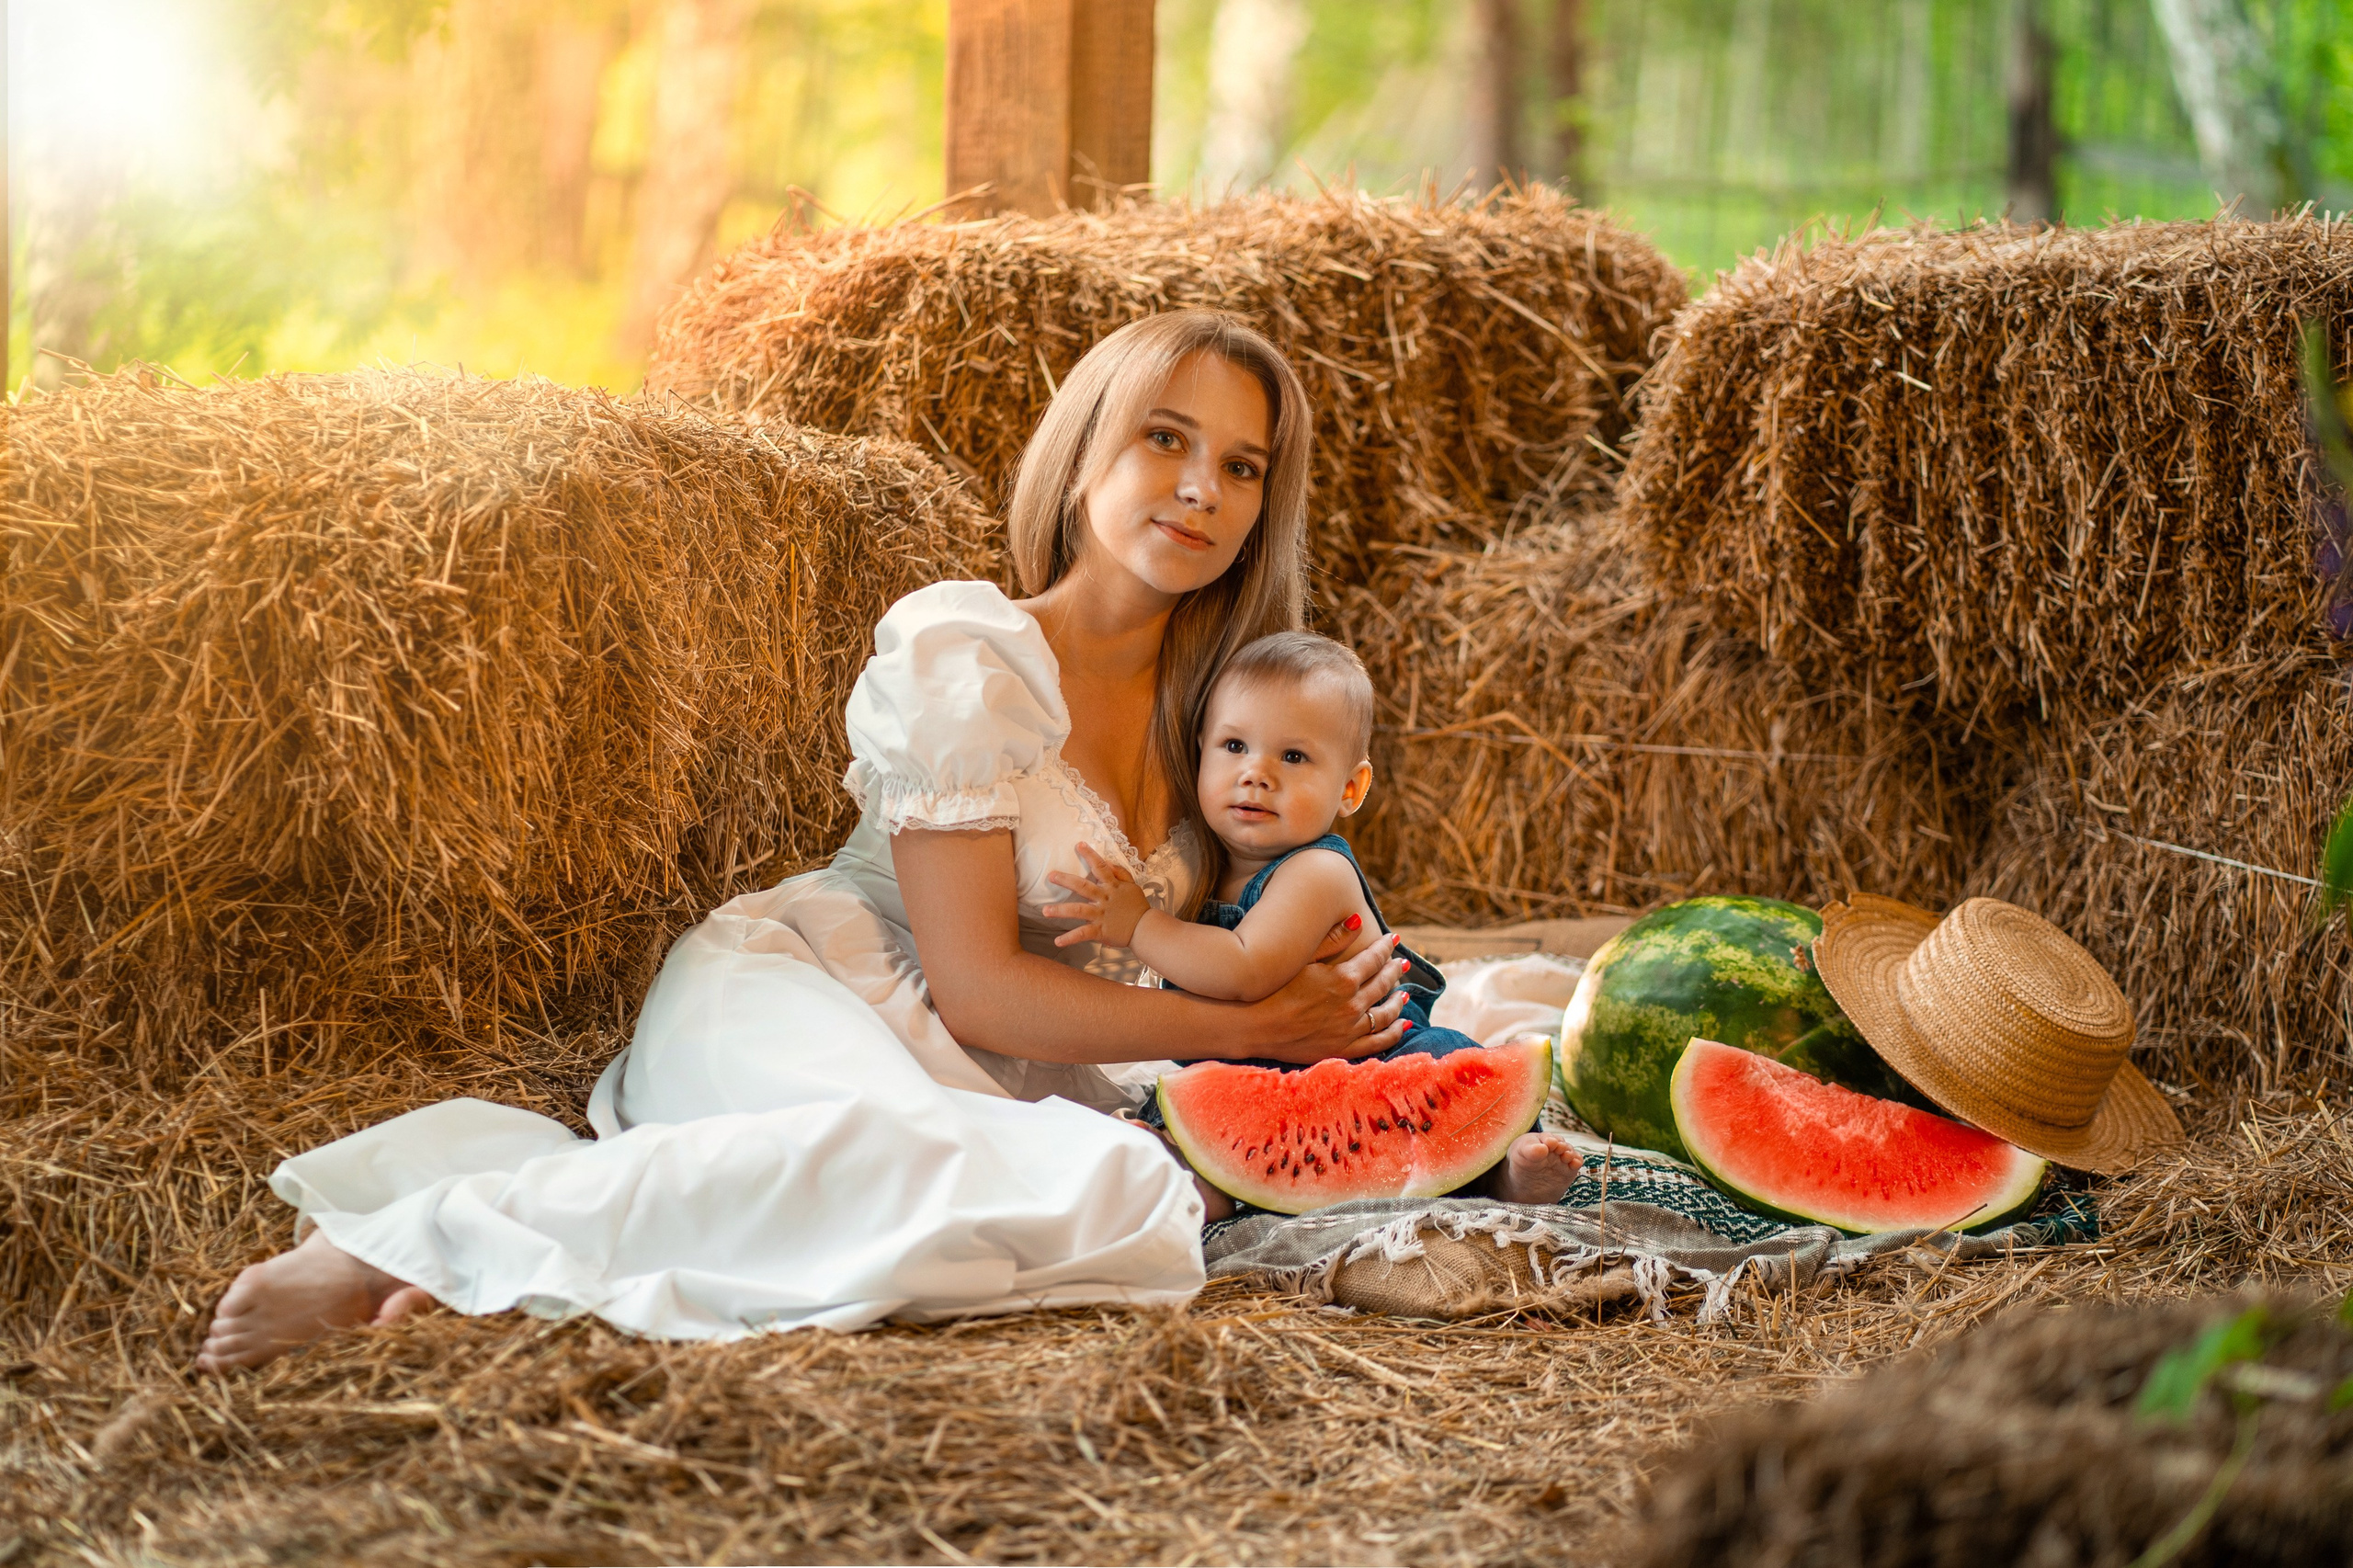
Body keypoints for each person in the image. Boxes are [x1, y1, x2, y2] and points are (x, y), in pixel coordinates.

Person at [196, 310, 1418, 1373]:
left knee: (1113, 1191)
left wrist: (1333, 993)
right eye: (1167, 436)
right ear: (1088, 444)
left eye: (1243, 465)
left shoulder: (1226, 728)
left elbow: (1252, 937)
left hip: (1012, 1075)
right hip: (814, 989)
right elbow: (981, 986)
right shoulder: (970, 653)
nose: (1204, 486)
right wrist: (1249, 1027)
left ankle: (516, 1280)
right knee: (910, 1156)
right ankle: (405, 1240)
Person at [1044, 630, 1584, 1217]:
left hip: (1375, 1067)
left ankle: (1504, 1174)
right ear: (1198, 752)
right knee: (1179, 1111)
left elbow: (1243, 970)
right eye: (1233, 746)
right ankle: (1209, 1174)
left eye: (1293, 756)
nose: (1256, 773)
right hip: (1264, 1074)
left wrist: (1139, 925)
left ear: (1350, 789)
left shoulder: (1317, 872)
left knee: (1451, 1074)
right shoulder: (1203, 866)